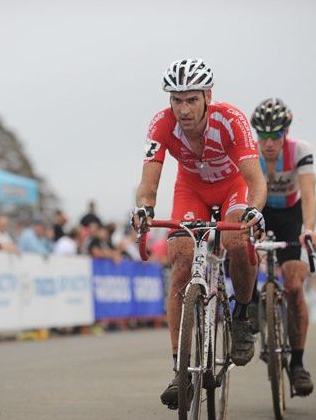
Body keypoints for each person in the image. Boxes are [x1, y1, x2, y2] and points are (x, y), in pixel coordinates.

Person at [131, 58, 267, 409]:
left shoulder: (230, 120)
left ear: (208, 95)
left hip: (232, 187)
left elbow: (255, 181)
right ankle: (180, 369)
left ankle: (242, 315)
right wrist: (144, 210)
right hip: (190, 190)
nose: (183, 109)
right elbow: (148, 184)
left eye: (191, 99)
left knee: (237, 240)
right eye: (176, 100)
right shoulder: (161, 124)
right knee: (180, 261)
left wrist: (252, 209)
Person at [249, 97, 316, 397]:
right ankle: (252, 303)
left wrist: (309, 230)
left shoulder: (300, 150)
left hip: (291, 214)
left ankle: (298, 364)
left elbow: (308, 194)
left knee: (293, 284)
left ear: (286, 132)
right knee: (242, 248)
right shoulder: (250, 152)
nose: (269, 143)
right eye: (263, 136)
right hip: (260, 209)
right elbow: (243, 192)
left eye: (275, 135)